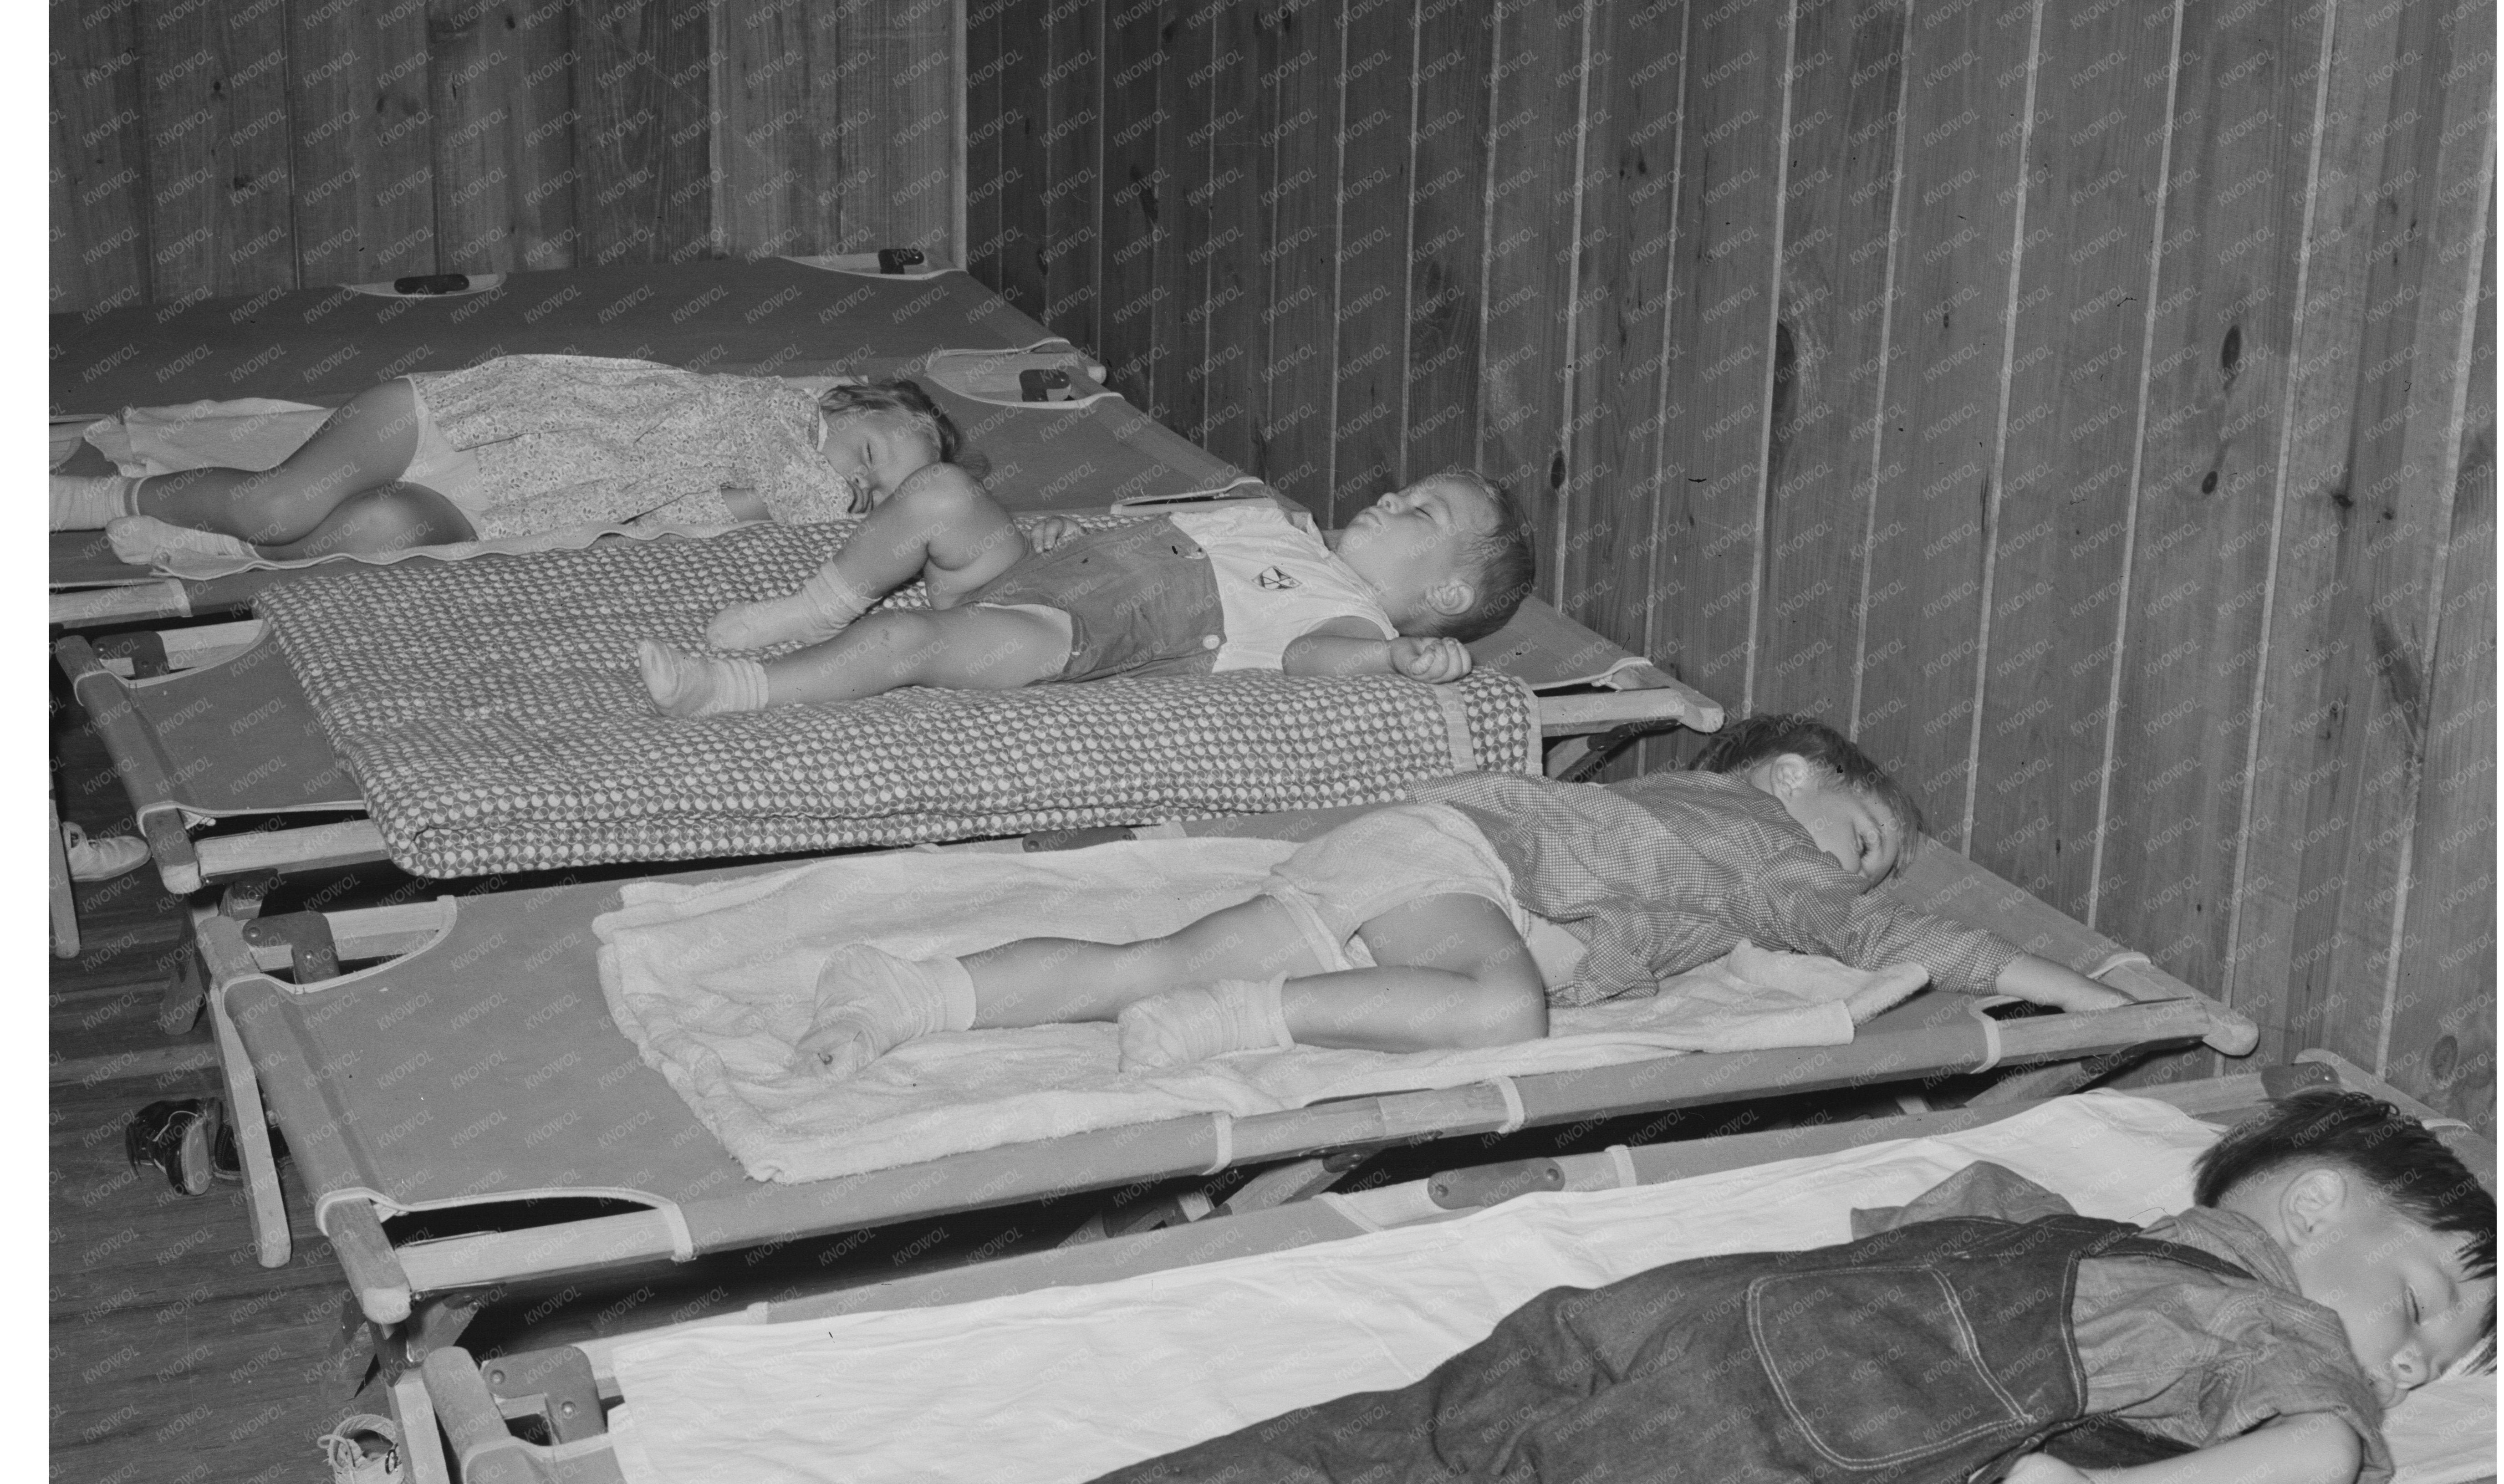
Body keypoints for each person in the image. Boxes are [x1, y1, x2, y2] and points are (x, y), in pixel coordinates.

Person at [877, 1091, 2495, 1484]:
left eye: (2440, 1364)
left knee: (1411, 1430)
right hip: (1831, 1411)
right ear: (2308, 1210)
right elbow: (2319, 1456)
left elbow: (1927, 1237)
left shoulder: (2069, 1215)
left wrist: (2078, 1441)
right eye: (2423, 1306)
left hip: (1715, 1303)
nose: (2409, 1366)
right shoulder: (2277, 1322)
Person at [780, 714, 2136, 1077]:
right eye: (1860, 835)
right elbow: (1870, 926)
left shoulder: (1702, 852)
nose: (1854, 870)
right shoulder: (1743, 829)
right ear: (1789, 777)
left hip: (1399, 873)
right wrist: (2044, 980)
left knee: (1143, 963)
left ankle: (904, 996)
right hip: (1465, 862)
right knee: (1499, 1015)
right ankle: (1250, 1020)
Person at [633, 466, 1535, 717]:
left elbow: (1312, 660)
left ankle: (735, 690)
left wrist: (1390, 658)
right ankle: (818, 604)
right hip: (1039, 573)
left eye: (1420, 513)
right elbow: (1157, 531)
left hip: (1061, 630)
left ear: (1448, 592)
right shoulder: (1286, 526)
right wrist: (1081, 537)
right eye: (1401, 487)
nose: (1389, 497)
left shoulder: (1342, 608)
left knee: (907, 647)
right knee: (940, 494)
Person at [46, 360, 959, 562]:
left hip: (493, 511)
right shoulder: (780, 413)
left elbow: (699, 521)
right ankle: (94, 497)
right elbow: (806, 501)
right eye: (870, 454)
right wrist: (881, 508)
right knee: (281, 509)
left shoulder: (773, 480)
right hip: (457, 425)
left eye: (874, 486)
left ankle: (198, 530)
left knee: (368, 532)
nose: (858, 482)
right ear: (848, 398)